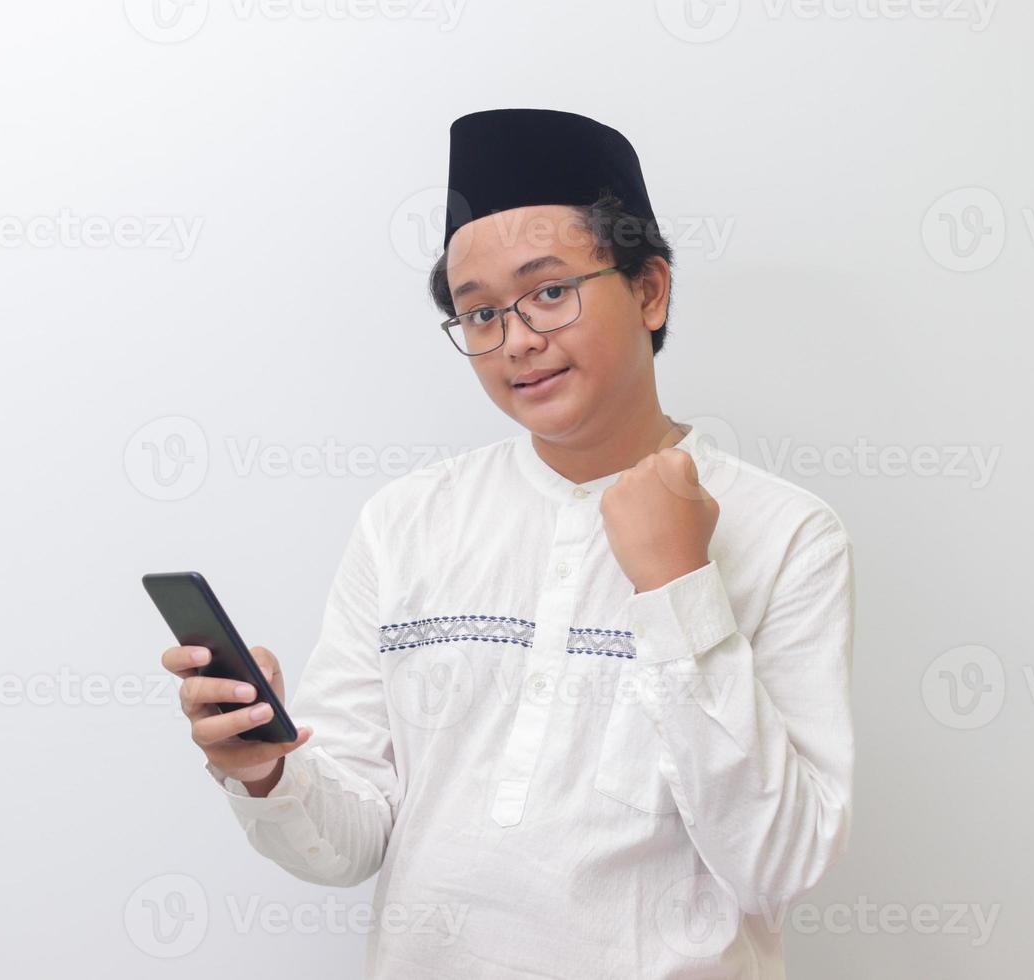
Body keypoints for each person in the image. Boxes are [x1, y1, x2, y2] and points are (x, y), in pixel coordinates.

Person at [160, 107, 856, 978]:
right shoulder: (409, 520)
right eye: (479, 313)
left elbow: (775, 865)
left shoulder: (788, 534)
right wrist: (264, 772)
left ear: (649, 290)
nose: (517, 340)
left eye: (550, 291)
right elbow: (347, 844)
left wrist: (678, 584)